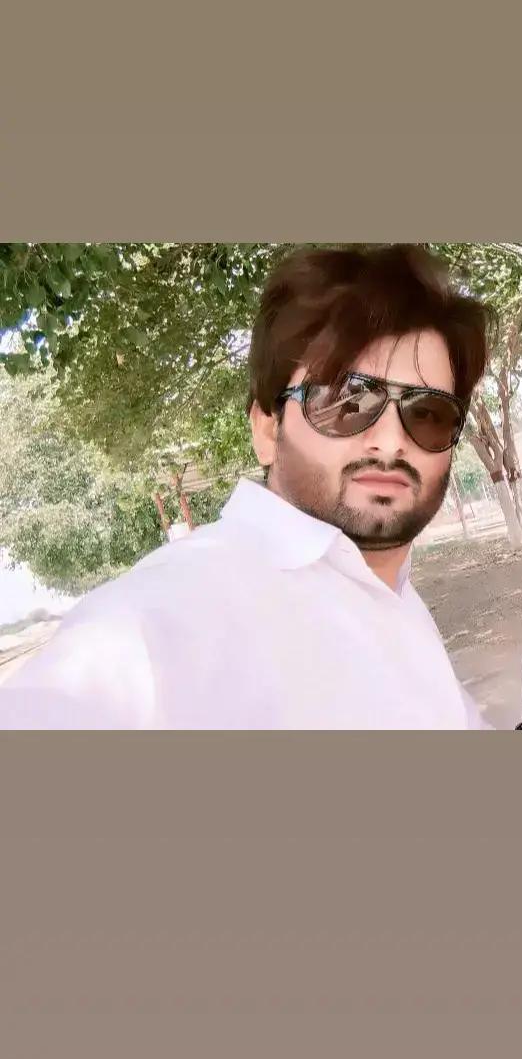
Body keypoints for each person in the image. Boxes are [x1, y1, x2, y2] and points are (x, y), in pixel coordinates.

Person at [0, 245, 495, 730]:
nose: (390, 441)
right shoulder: (170, 614)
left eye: (428, 413)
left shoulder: (393, 595)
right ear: (267, 430)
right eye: (346, 401)